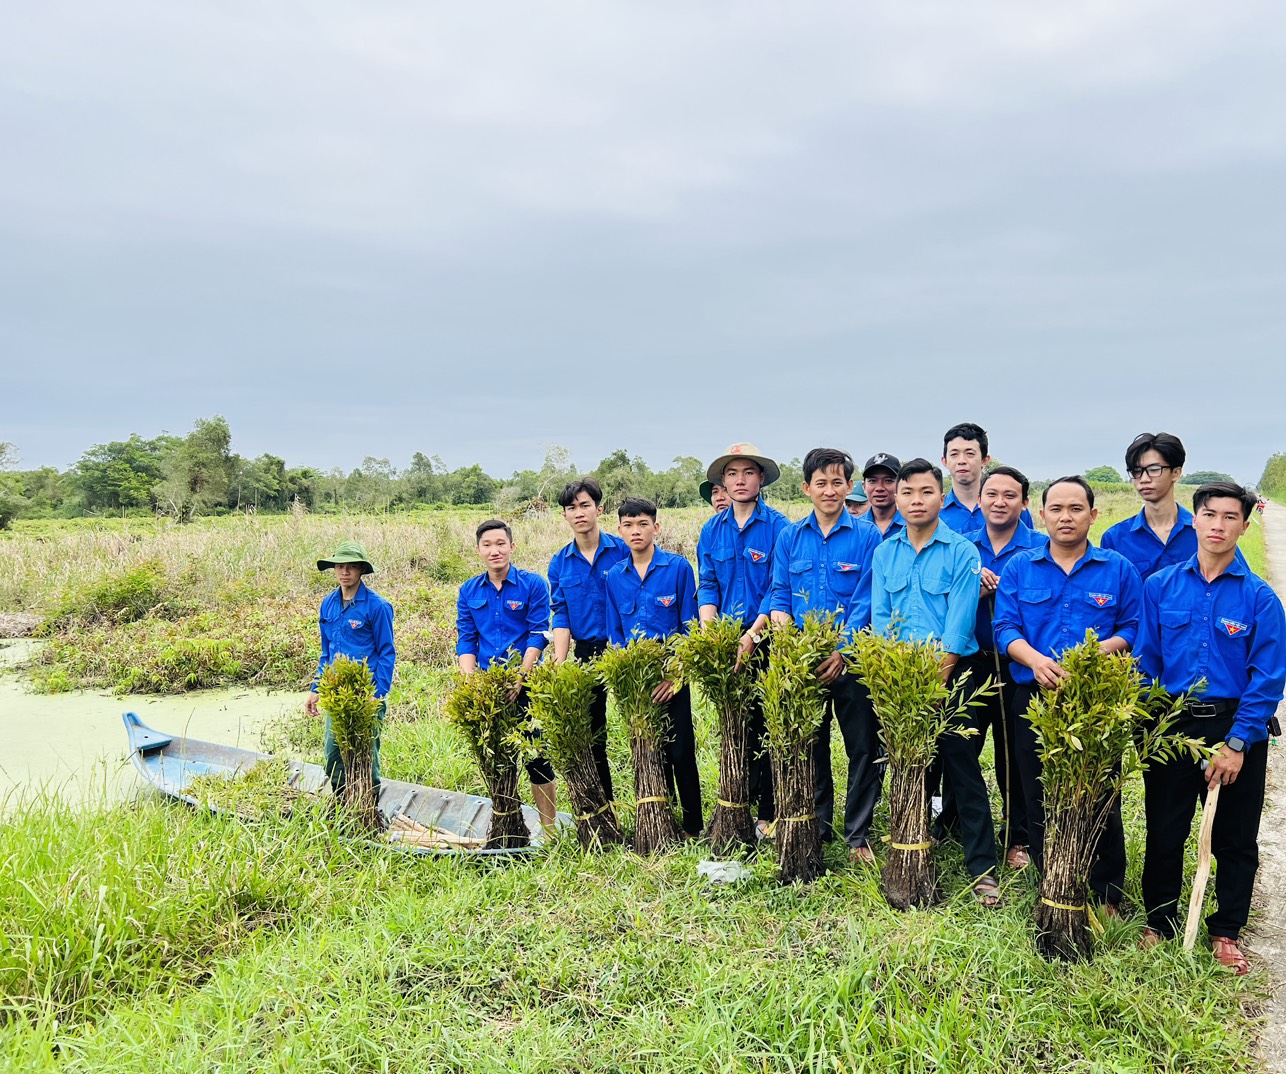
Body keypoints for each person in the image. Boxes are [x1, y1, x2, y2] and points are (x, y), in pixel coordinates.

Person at [1137, 482, 1286, 974]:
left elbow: (1267, 679)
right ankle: (1158, 920)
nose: (1218, 525)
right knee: (1165, 828)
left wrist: (1238, 743)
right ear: (1193, 521)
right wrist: (1148, 726)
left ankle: (1226, 930)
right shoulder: (1160, 586)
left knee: (1234, 836)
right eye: (1209, 515)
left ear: (1245, 525)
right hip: (1172, 721)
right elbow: (1146, 663)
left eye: (1230, 517)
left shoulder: (1260, 598)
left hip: (1235, 722)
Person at [992, 475, 1143, 914]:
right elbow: (1005, 629)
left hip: (1095, 703)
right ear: (1040, 515)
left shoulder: (1117, 569)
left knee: (1098, 792)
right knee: (1037, 790)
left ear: (1093, 516)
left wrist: (1093, 657)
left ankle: (1106, 888)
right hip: (1034, 699)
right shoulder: (1021, 567)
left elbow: (1133, 628)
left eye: (1076, 509)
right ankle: (1051, 875)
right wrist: (1037, 661)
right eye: (1056, 508)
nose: (1065, 517)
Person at [865, 458, 1000, 905]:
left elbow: (960, 623)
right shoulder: (885, 552)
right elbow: (882, 618)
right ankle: (911, 844)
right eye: (908, 493)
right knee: (908, 766)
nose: (916, 500)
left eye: (926, 492)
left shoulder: (962, 551)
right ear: (896, 499)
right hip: (901, 676)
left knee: (962, 766)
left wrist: (935, 680)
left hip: (952, 674)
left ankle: (982, 867)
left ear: (941, 499)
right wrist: (896, 681)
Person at [766, 447, 882, 862]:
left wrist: (843, 650)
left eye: (838, 482)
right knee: (809, 744)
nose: (830, 490)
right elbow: (780, 593)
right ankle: (816, 823)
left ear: (849, 487)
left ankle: (858, 836)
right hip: (804, 660)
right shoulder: (790, 537)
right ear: (806, 489)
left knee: (862, 747)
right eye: (821, 483)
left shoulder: (868, 536)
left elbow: (868, 598)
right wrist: (787, 637)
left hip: (850, 661)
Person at [696, 442, 790, 837]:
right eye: (731, 474)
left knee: (768, 720)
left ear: (761, 478)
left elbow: (777, 587)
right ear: (722, 481)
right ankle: (739, 803)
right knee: (736, 723)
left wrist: (754, 633)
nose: (739, 480)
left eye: (748, 472)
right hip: (726, 637)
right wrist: (709, 629)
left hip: (766, 634)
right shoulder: (711, 530)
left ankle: (769, 811)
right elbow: (708, 583)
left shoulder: (779, 527)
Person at [604, 497, 703, 837]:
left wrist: (677, 675)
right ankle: (663, 820)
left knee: (681, 751)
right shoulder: (614, 576)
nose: (636, 531)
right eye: (629, 525)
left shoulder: (677, 569)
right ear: (619, 530)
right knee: (650, 751)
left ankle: (693, 825)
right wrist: (628, 678)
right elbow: (614, 632)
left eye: (643, 524)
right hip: (636, 679)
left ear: (656, 527)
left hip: (671, 675)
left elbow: (689, 626)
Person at [962, 465, 1041, 868]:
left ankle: (1018, 838)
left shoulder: (1040, 549)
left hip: (1019, 668)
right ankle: (959, 826)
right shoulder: (961, 547)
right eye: (991, 494)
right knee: (963, 748)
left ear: (1024, 503)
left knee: (1015, 755)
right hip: (970, 663)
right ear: (979, 500)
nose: (999, 502)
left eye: (1010, 495)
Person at [456, 519, 557, 829]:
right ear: (478, 550)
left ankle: (549, 832)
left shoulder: (533, 584)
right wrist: (471, 678)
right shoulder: (469, 590)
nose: (494, 550)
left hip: (525, 685)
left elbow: (538, 633)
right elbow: (466, 637)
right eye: (487, 545)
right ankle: (509, 826)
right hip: (487, 687)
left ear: (512, 547)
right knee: (499, 760)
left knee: (536, 759)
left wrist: (521, 676)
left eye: (500, 544)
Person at [548, 477, 630, 799]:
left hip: (625, 647)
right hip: (586, 650)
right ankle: (604, 804)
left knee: (642, 724)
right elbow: (562, 613)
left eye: (585, 505)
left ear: (600, 508)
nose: (579, 513)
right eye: (572, 508)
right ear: (565, 516)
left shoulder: (622, 550)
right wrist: (559, 658)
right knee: (593, 729)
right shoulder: (560, 563)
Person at [307, 540, 396, 798]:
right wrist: (316, 689)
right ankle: (342, 803)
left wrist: (376, 694)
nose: (344, 571)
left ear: (361, 570)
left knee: (366, 754)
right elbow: (327, 652)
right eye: (339, 566)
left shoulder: (377, 606)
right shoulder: (328, 604)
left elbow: (386, 653)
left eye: (351, 567)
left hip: (366, 692)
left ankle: (369, 808)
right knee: (334, 754)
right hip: (336, 692)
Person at [1102, 431, 1242, 581]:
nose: (1143, 479)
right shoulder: (1115, 538)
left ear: (1176, 473)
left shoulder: (1206, 532)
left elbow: (1241, 583)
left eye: (1154, 470)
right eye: (1136, 471)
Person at [939, 422, 1034, 534]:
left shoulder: (1012, 507)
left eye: (970, 454)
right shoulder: (935, 512)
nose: (961, 461)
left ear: (985, 460)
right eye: (954, 454)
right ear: (944, 461)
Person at [857, 453, 905, 541]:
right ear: (864, 486)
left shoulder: (913, 525)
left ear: (900, 485)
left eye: (888, 481)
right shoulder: (855, 528)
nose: (879, 488)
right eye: (872, 481)